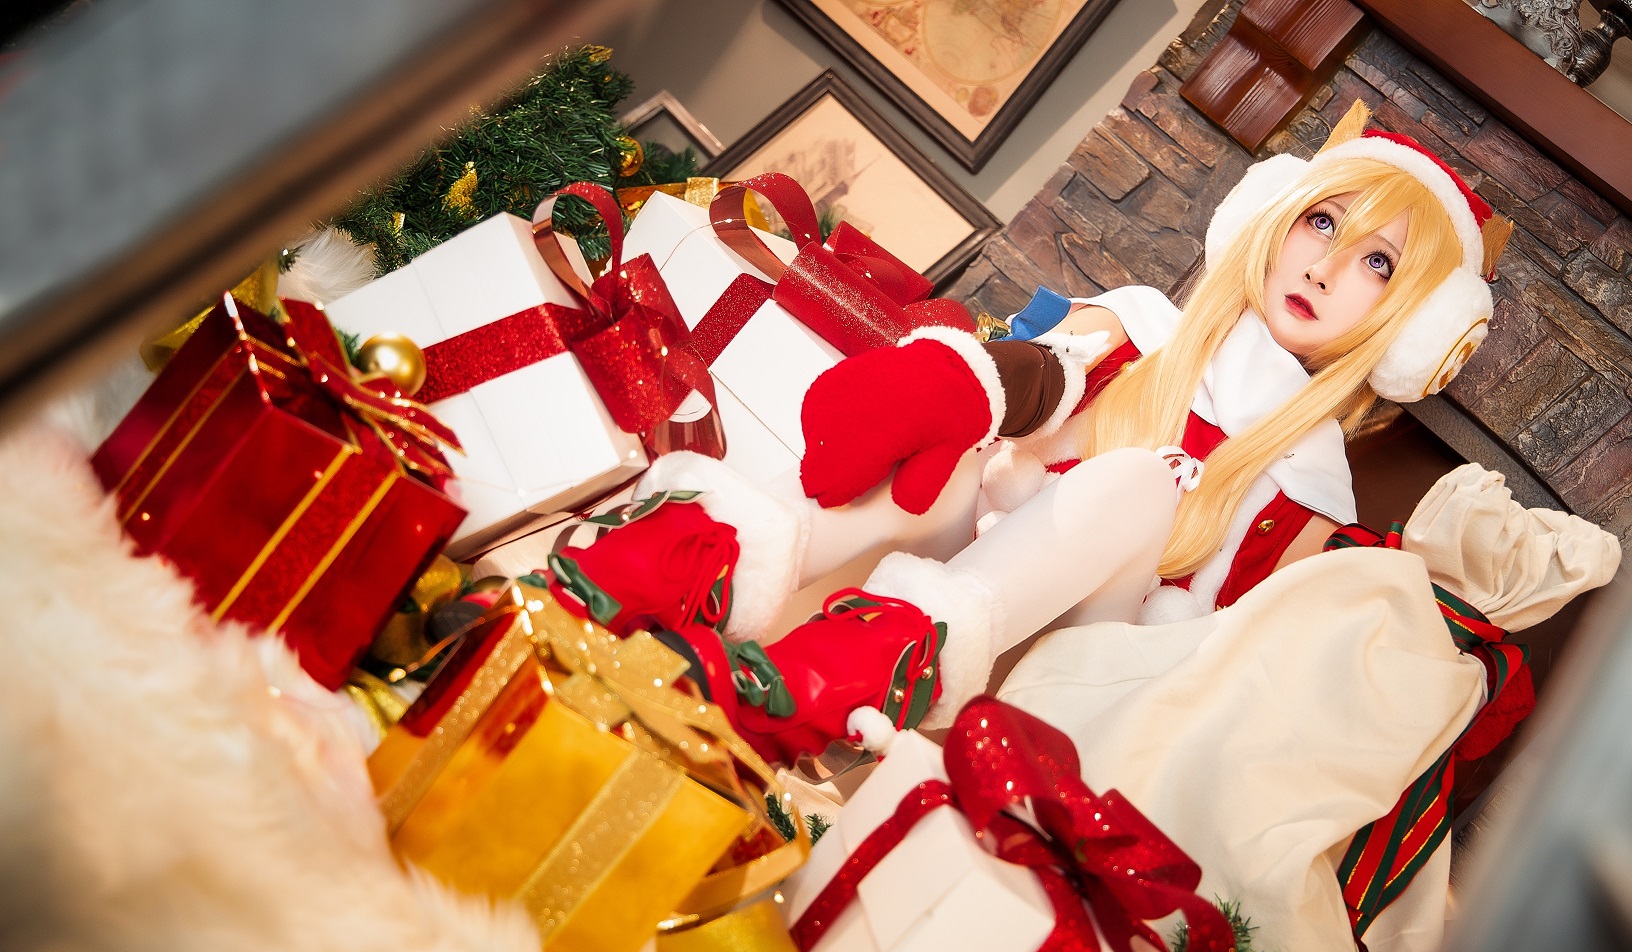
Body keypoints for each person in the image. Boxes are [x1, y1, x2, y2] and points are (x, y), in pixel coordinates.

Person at [537, 102, 1515, 767]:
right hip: (944, 575)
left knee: (1137, 482)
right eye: (1323, 223)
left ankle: (829, 665)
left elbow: (1206, 675)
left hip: (1066, 684)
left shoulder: (1311, 491)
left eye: (1379, 264)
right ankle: (710, 577)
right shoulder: (1139, 324)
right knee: (961, 449)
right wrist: (963, 402)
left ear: (1410, 325)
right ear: (1272, 218)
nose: (1327, 266)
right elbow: (1027, 386)